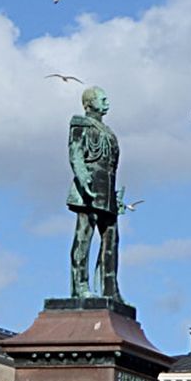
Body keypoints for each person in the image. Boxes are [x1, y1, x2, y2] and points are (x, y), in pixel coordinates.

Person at [67, 85, 123, 303]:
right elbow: (75, 153)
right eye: (103, 99)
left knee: (111, 239)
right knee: (84, 235)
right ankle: (80, 285)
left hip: (107, 193)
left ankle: (111, 290)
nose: (107, 103)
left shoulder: (108, 132)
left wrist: (114, 195)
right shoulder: (80, 124)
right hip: (89, 189)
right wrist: (82, 176)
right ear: (90, 103)